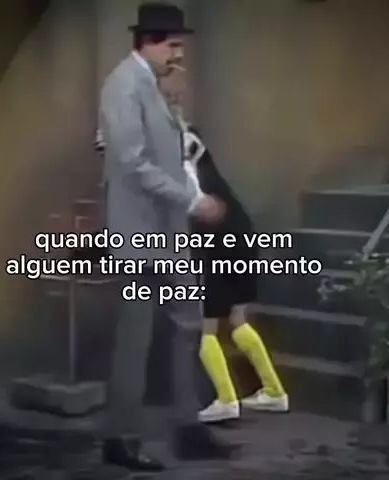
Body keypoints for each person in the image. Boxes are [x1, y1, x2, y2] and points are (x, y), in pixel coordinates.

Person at [98, 2, 239, 472]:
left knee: (188, 326)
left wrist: (175, 107)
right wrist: (194, 202)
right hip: (139, 236)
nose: (179, 54)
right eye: (174, 45)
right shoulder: (122, 85)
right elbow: (133, 163)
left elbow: (173, 155)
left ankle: (188, 428)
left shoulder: (155, 86)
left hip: (171, 235)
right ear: (150, 42)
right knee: (136, 337)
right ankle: (120, 437)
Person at [181, 123, 290, 423]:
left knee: (206, 325)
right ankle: (274, 392)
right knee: (237, 319)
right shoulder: (202, 162)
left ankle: (227, 399)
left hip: (221, 244)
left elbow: (197, 202)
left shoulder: (186, 156)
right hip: (243, 235)